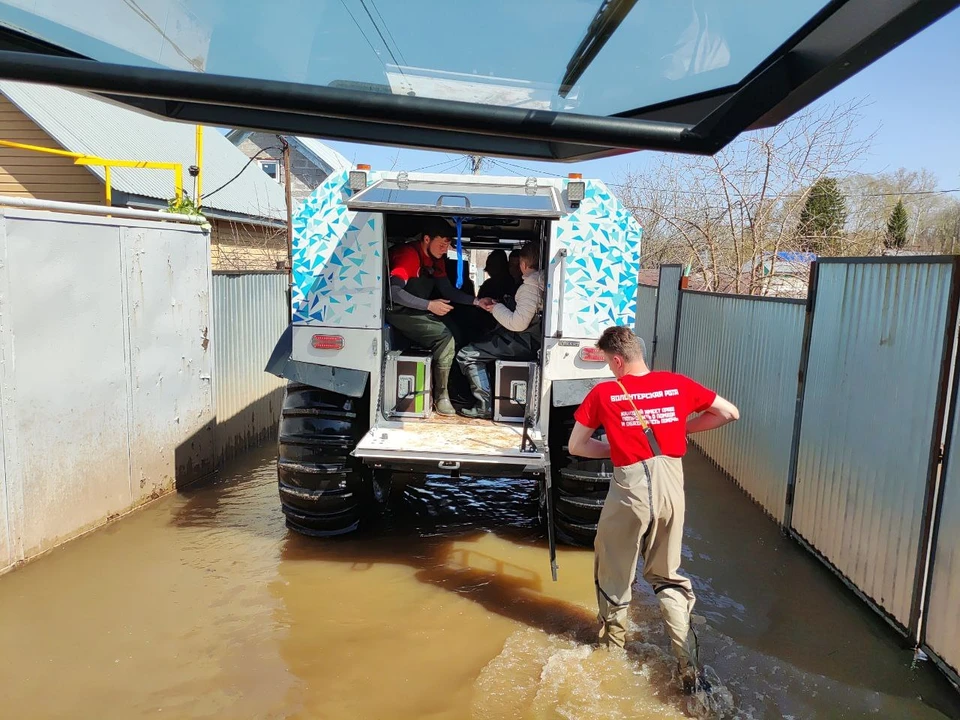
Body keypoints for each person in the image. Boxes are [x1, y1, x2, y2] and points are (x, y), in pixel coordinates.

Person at [567, 326, 739, 695]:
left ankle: (611, 654)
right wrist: (679, 429)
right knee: (667, 576)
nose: (611, 372)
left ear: (616, 360)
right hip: (671, 484)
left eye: (611, 366)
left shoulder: (605, 393)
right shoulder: (678, 384)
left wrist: (616, 450)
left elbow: (577, 446)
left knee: (614, 570)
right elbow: (729, 413)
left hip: (629, 488)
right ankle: (689, 667)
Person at [387, 217, 482, 416]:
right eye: (441, 244)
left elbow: (447, 290)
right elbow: (394, 292)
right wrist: (430, 305)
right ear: (427, 239)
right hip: (397, 310)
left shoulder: (435, 260)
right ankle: (442, 396)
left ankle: (455, 386)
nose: (444, 250)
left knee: (456, 331)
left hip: (416, 309)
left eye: (447, 245)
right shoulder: (408, 255)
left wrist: (477, 302)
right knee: (445, 337)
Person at [456, 241, 544, 419]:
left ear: (524, 265)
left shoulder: (530, 288)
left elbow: (518, 324)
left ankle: (484, 407)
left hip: (522, 342)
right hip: (526, 340)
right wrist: (500, 305)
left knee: (467, 355)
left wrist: (495, 309)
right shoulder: (541, 283)